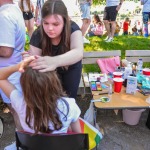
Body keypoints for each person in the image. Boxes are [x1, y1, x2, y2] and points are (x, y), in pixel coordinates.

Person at [0, 56, 81, 146]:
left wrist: (18, 66)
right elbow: (78, 138)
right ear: (54, 82)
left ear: (24, 85)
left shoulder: (19, 102)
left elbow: (1, 77)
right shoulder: (69, 106)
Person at [23, 0, 83, 99]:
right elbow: (34, 62)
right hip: (48, 73)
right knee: (51, 101)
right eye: (46, 23)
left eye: (55, 24)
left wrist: (54, 61)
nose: (50, 28)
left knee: (69, 100)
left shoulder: (72, 28)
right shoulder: (38, 34)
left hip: (70, 67)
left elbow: (78, 52)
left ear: (65, 21)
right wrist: (30, 61)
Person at [0, 0, 26, 149]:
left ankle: (24, 144)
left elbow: (6, 50)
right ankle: (23, 142)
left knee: (18, 111)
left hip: (9, 75)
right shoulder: (13, 10)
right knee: (18, 111)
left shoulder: (4, 14)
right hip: (12, 72)